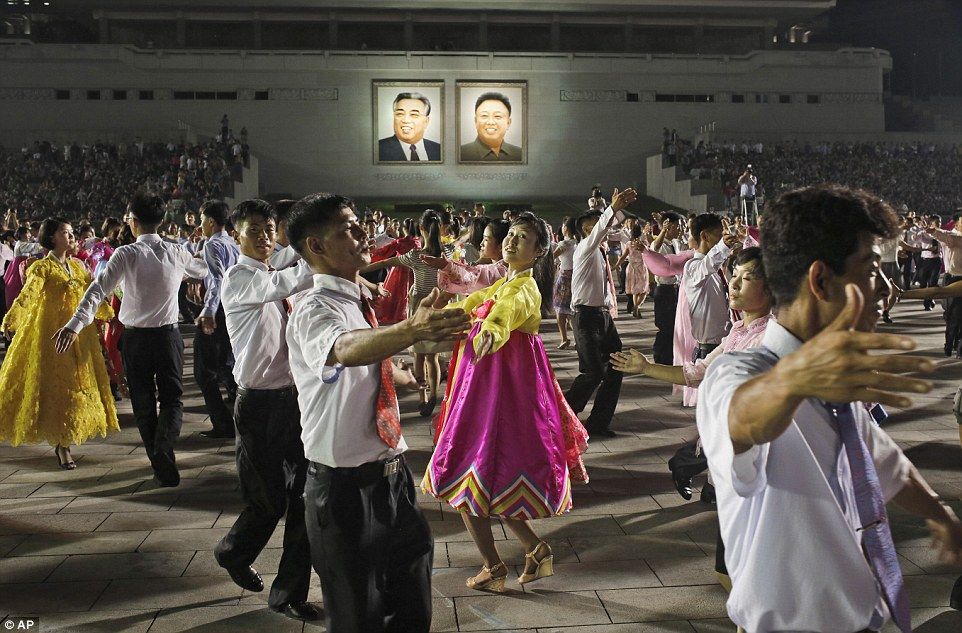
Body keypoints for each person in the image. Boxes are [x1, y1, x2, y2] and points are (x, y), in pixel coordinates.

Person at [698, 184, 962, 633]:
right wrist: (796, 378)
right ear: (821, 280)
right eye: (872, 270)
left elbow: (884, 462)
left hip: (860, 616)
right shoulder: (738, 372)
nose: (886, 289)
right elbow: (740, 420)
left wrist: (940, 514)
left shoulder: (833, 379)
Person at [284, 192, 471, 633]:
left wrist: (396, 371)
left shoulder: (355, 299)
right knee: (358, 614)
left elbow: (362, 354)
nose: (363, 233)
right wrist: (410, 330)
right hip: (343, 488)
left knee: (411, 601)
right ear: (316, 246)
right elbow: (343, 348)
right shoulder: (314, 307)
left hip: (391, 475)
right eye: (348, 229)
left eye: (359, 224)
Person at [423, 212, 588, 593]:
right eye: (510, 234)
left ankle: (495, 566)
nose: (512, 241)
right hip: (485, 393)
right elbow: (473, 301)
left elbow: (504, 314)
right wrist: (435, 317)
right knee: (485, 481)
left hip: (498, 397)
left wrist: (491, 331)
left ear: (539, 251)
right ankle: (534, 550)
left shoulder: (524, 289)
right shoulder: (504, 282)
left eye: (523, 237)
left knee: (468, 476)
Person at [56, 191, 209, 487]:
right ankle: (163, 451)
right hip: (167, 337)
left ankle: (159, 459)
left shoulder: (126, 254)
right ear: (161, 220)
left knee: (142, 401)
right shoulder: (176, 252)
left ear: (133, 222)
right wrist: (193, 261)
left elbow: (98, 290)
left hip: (136, 339)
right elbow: (201, 270)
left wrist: (75, 324)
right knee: (172, 399)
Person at [212, 199, 319, 621]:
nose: (263, 236)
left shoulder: (272, 268)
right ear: (235, 234)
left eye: (269, 228)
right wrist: (323, 254)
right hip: (256, 404)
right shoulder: (239, 278)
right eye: (253, 229)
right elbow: (288, 281)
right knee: (268, 501)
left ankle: (289, 593)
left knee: (305, 496)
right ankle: (233, 551)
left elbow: (291, 267)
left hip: (292, 401)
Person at [0, 217, 119, 469]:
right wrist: (12, 319)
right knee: (58, 387)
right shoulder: (41, 267)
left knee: (77, 384)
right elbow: (28, 296)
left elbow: (91, 294)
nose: (71, 236)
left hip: (78, 335)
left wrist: (106, 313)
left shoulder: (78, 266)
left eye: (71, 232)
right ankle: (62, 444)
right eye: (65, 232)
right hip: (50, 334)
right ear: (51, 237)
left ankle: (67, 436)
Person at [564, 187, 638, 438]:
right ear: (587, 229)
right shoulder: (585, 247)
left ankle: (598, 422)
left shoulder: (599, 250)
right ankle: (562, 416)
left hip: (602, 316)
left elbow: (616, 228)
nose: (606, 228)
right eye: (598, 224)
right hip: (585, 316)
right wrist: (612, 208)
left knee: (617, 366)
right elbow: (603, 227)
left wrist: (617, 211)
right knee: (593, 372)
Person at [361, 210, 448, 417]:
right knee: (433, 357)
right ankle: (434, 396)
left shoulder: (415, 256)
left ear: (421, 229)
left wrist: (359, 271)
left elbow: (385, 263)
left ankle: (422, 397)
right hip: (436, 305)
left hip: (418, 306)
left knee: (418, 355)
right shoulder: (444, 255)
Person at [196, 199, 240, 439]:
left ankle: (223, 423)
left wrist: (209, 311)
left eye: (202, 220)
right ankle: (241, 415)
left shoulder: (212, 244)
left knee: (204, 372)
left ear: (211, 221)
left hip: (219, 309)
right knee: (225, 365)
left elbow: (217, 279)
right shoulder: (232, 243)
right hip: (232, 308)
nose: (201, 225)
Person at [650, 212, 684, 364]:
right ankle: (660, 357)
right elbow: (654, 247)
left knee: (673, 325)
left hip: (674, 289)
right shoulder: (660, 244)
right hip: (663, 289)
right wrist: (662, 230)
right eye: (677, 226)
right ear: (669, 227)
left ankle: (669, 357)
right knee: (665, 326)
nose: (680, 229)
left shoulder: (675, 243)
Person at [459, 92, 522, 162]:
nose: (490, 122)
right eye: (484, 116)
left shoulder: (521, 155)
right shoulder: (459, 154)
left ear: (508, 123)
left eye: (497, 116)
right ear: (476, 121)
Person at [378, 92, 441, 162]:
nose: (406, 120)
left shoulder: (439, 150)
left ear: (426, 121)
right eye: (400, 114)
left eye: (414, 114)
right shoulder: (376, 149)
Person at [552, 217, 578, 349]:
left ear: (566, 228)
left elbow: (552, 257)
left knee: (560, 309)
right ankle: (577, 338)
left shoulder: (564, 244)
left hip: (564, 279)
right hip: (576, 278)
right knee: (572, 310)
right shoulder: (578, 243)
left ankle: (564, 338)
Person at [615, 222, 650, 319]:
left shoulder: (629, 244)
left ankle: (636, 308)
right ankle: (637, 307)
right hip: (641, 267)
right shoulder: (643, 243)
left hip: (631, 268)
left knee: (635, 291)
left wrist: (616, 265)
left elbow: (623, 257)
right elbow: (649, 255)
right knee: (644, 290)